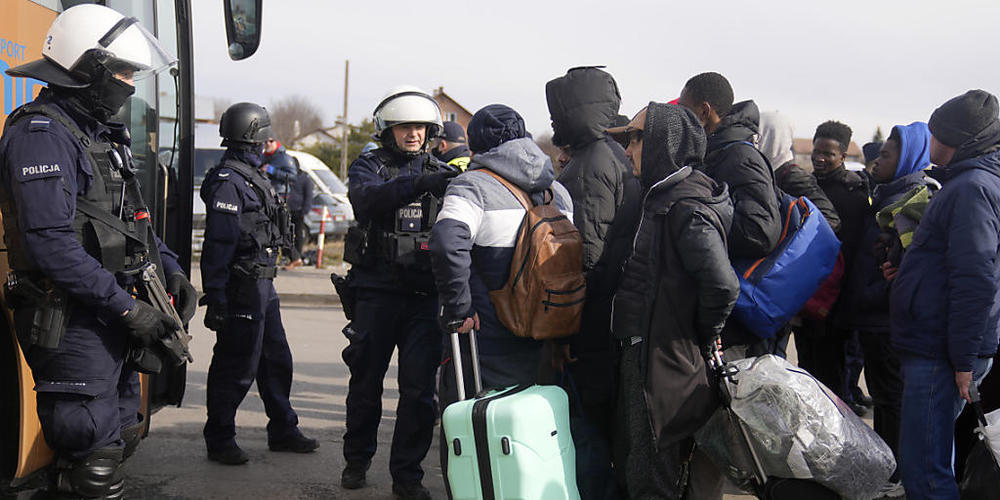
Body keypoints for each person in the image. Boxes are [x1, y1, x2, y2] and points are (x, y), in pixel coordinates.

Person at [0, 5, 196, 497]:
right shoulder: (40, 135)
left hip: (110, 312)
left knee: (122, 432)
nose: (130, 84)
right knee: (92, 448)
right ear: (87, 69)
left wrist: (170, 271)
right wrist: (129, 309)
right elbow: (51, 246)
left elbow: (136, 220)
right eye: (123, 72)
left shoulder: (101, 136)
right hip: (72, 317)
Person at [610, 103, 739, 499]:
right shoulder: (664, 195)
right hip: (652, 351)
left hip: (661, 359)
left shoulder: (683, 204)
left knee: (652, 477)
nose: (628, 149)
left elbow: (722, 285)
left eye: (636, 138)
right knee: (648, 467)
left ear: (665, 143)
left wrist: (703, 333)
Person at [340, 86, 457, 500]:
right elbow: (366, 200)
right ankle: (356, 460)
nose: (414, 135)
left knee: (418, 392)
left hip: (424, 298)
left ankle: (407, 477)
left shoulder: (442, 172)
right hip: (376, 293)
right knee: (366, 383)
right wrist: (419, 182)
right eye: (406, 126)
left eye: (421, 127)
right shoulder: (369, 166)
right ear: (388, 130)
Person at [891, 90, 1000, 500]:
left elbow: (976, 279)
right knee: (930, 461)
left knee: (926, 469)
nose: (930, 141)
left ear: (956, 139)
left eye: (936, 133)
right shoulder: (972, 183)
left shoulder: (972, 187)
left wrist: (964, 360)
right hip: (943, 346)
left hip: (943, 351)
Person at [200, 102, 319, 466]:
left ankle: (283, 429)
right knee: (236, 365)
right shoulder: (228, 181)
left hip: (263, 284)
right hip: (242, 285)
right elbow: (218, 245)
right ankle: (220, 438)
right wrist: (217, 296)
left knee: (275, 359)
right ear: (254, 134)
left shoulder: (254, 174)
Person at [545, 66, 637, 495]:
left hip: (592, 320)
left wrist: (565, 328)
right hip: (610, 313)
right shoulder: (613, 152)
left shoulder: (591, 162)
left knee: (589, 423)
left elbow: (587, 253)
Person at [843, 122, 933, 498]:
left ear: (908, 156)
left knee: (892, 400)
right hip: (874, 314)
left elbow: (910, 269)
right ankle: (888, 469)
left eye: (886, 154)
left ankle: (894, 474)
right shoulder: (885, 193)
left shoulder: (913, 200)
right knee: (885, 397)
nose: (877, 160)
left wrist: (876, 292)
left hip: (888, 319)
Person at [677, 72, 781, 354]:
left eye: (685, 111)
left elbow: (761, 232)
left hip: (737, 319)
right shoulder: (715, 151)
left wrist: (697, 230)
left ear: (704, 111)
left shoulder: (738, 155)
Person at [795, 120, 871, 408]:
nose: (820, 158)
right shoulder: (804, 187)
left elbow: (854, 253)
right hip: (805, 294)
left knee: (831, 376)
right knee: (804, 368)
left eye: (828, 153)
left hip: (836, 303)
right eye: (816, 151)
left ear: (843, 157)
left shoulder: (855, 196)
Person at [283, 156, 313, 270]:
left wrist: (305, 210)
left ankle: (297, 256)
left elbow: (309, 196)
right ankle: (287, 256)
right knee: (285, 234)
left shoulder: (304, 178)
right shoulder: (287, 175)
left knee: (298, 235)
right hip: (286, 209)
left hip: (298, 210)